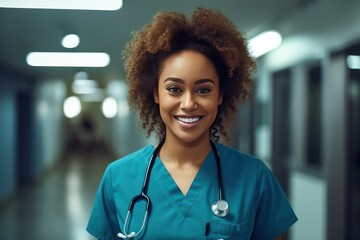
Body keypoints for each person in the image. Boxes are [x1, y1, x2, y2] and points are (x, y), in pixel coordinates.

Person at [87, 7, 297, 240]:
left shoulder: (254, 177)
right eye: (174, 89)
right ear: (156, 94)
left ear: (220, 96)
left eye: (203, 90)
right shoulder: (118, 177)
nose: (188, 103)